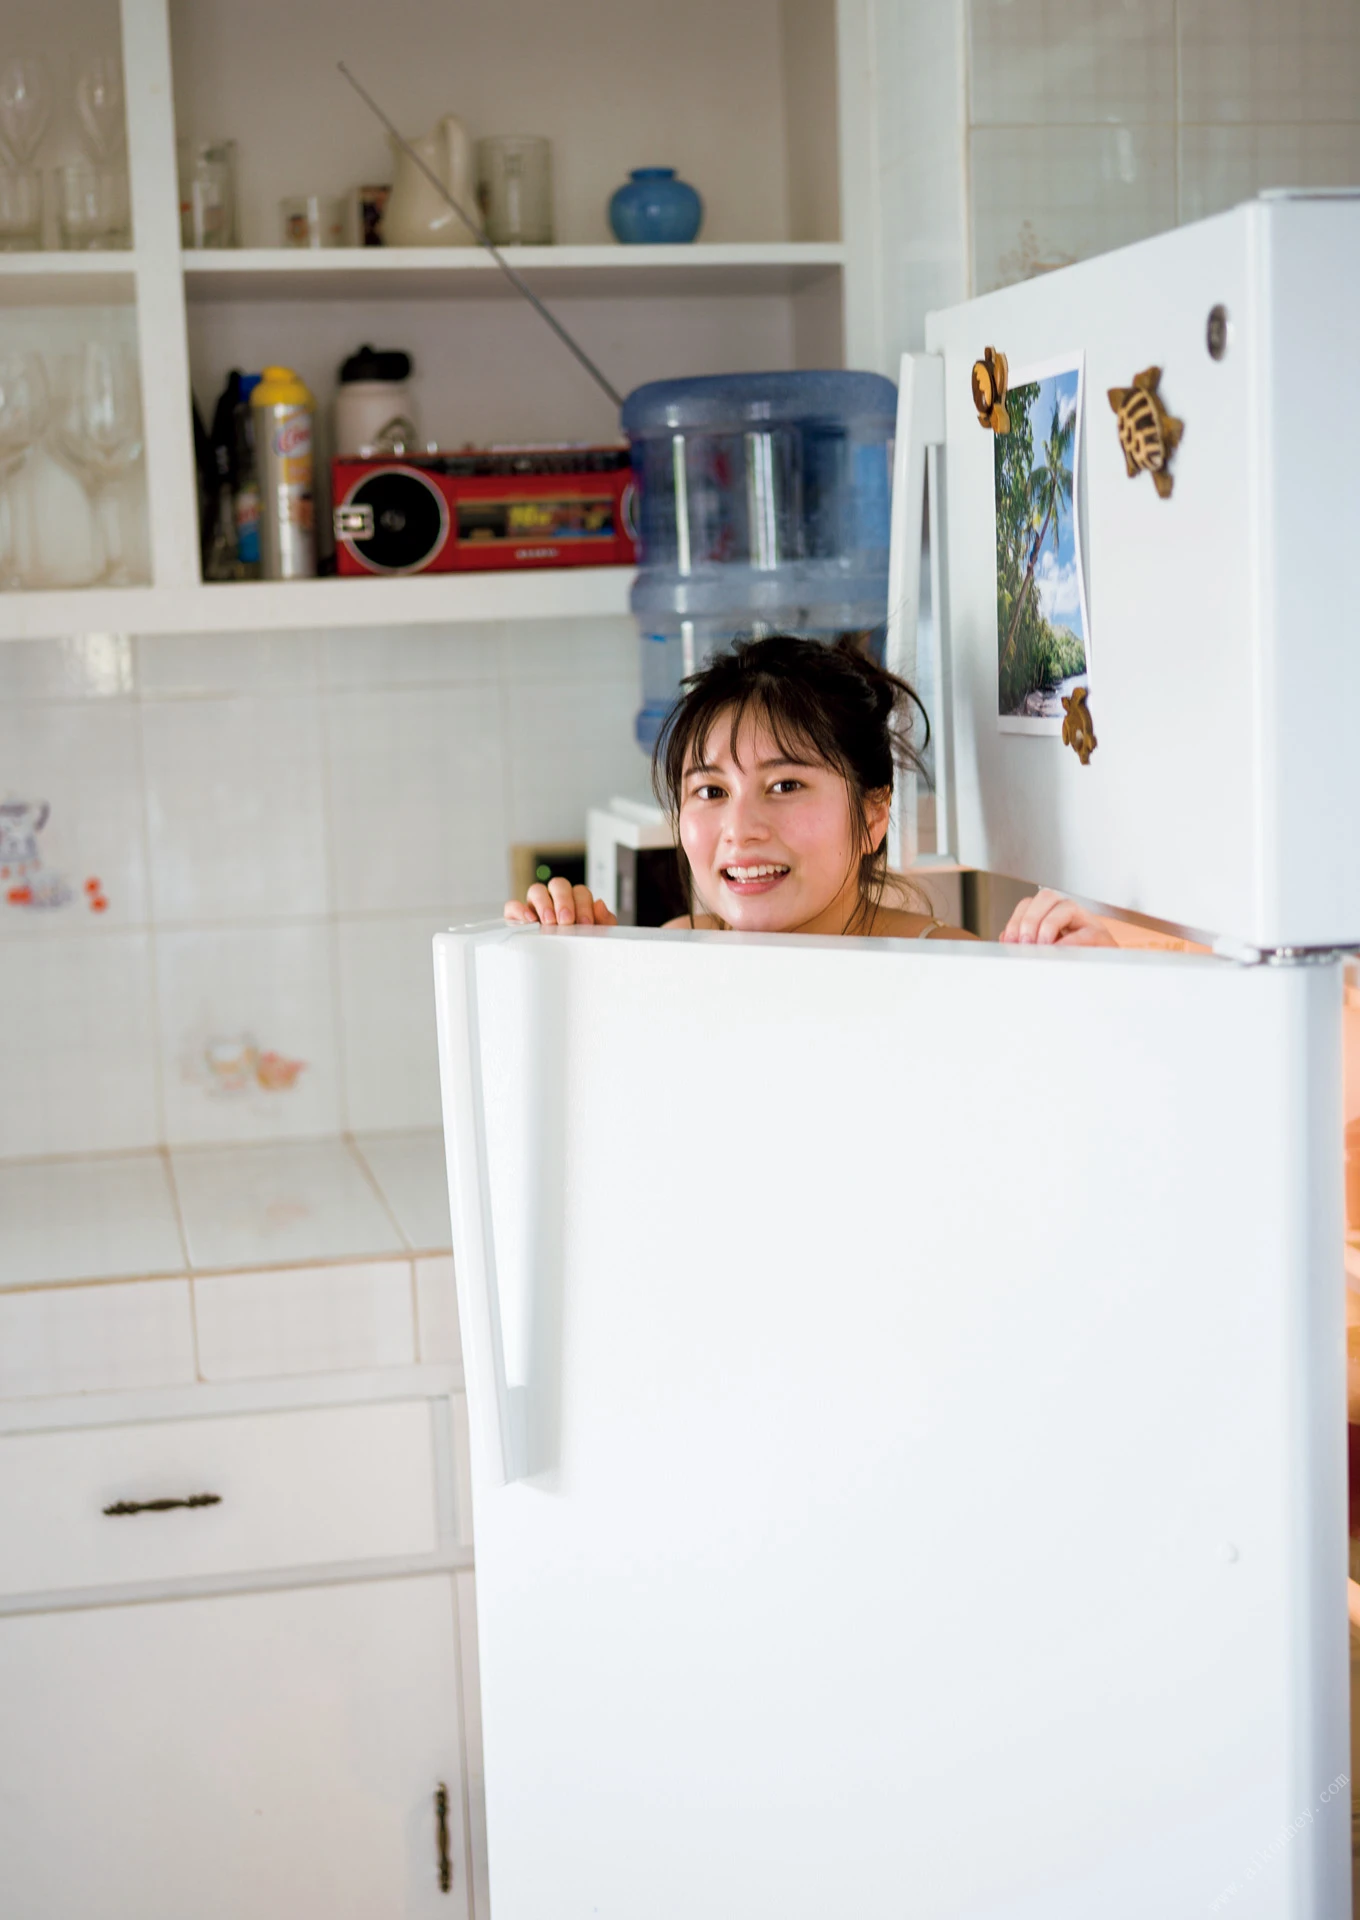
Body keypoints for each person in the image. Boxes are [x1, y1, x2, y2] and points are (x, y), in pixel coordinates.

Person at [504, 633, 1116, 948]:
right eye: (710, 791)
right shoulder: (676, 950)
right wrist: (575, 965)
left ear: (873, 815)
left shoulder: (950, 965)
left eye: (785, 784)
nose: (740, 830)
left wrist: (1094, 995)